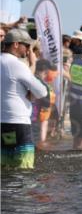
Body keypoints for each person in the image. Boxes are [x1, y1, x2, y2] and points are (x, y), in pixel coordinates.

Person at [1, 28, 50, 168]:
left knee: (4, 167)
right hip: (18, 123)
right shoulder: (16, 65)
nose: (29, 50)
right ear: (16, 44)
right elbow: (42, 92)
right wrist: (33, 63)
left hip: (2, 123)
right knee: (24, 168)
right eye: (27, 45)